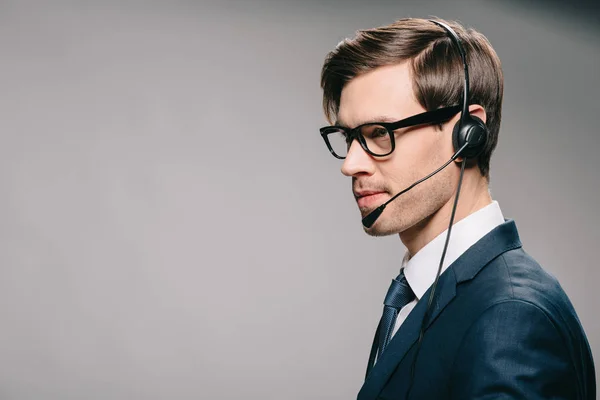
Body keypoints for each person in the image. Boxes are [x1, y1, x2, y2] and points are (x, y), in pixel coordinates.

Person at [318, 17, 596, 399]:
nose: (350, 164)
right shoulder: (429, 296)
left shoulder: (512, 317)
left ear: (467, 133)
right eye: (349, 137)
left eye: (378, 133)